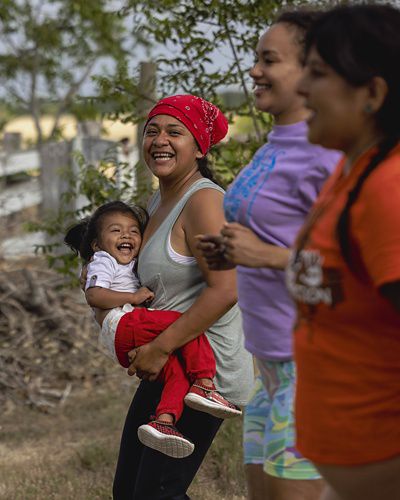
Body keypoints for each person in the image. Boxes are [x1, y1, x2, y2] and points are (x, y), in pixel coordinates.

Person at [198, 10, 341, 500]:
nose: (255, 70)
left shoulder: (329, 154)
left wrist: (265, 255)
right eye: (256, 59)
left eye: (269, 60)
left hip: (315, 365)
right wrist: (233, 253)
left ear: (311, 70)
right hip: (271, 365)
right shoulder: (273, 144)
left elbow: (354, 269)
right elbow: (279, 237)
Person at [107, 95, 253, 498]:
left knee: (155, 493)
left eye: (175, 132)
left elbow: (227, 287)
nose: (159, 140)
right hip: (170, 360)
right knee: (131, 491)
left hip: (205, 376)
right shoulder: (160, 199)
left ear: (200, 147)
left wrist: (158, 347)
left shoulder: (204, 201)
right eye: (152, 130)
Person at [286, 4, 400, 500]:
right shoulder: (353, 167)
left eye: (318, 73)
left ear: (372, 92)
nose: (301, 88)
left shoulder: (389, 190)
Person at [65, 201, 241, 459]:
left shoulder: (124, 261)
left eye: (134, 231)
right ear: (96, 245)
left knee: (177, 374)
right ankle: (204, 382)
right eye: (116, 231)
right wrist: (133, 297)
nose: (126, 235)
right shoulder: (102, 260)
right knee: (184, 324)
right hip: (124, 323)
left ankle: (164, 421)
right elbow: (95, 296)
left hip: (125, 338)